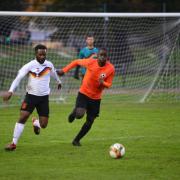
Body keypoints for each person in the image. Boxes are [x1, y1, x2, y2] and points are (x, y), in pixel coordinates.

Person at [3, 44, 61, 151]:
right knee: (23, 116)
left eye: (44, 54)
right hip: (31, 97)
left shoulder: (49, 64)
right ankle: (13, 143)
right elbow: (18, 78)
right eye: (40, 54)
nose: (42, 56)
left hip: (44, 98)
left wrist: (58, 81)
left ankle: (36, 122)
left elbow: (54, 73)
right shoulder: (29, 65)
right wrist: (10, 91)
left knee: (44, 125)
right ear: (36, 54)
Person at [57, 48, 115, 146]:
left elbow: (109, 84)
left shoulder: (111, 69)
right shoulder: (90, 62)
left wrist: (103, 83)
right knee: (79, 114)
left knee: (90, 121)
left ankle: (76, 140)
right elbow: (76, 62)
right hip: (84, 93)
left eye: (104, 55)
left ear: (107, 57)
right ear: (97, 56)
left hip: (96, 98)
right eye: (101, 55)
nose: (102, 57)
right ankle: (73, 113)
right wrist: (63, 70)